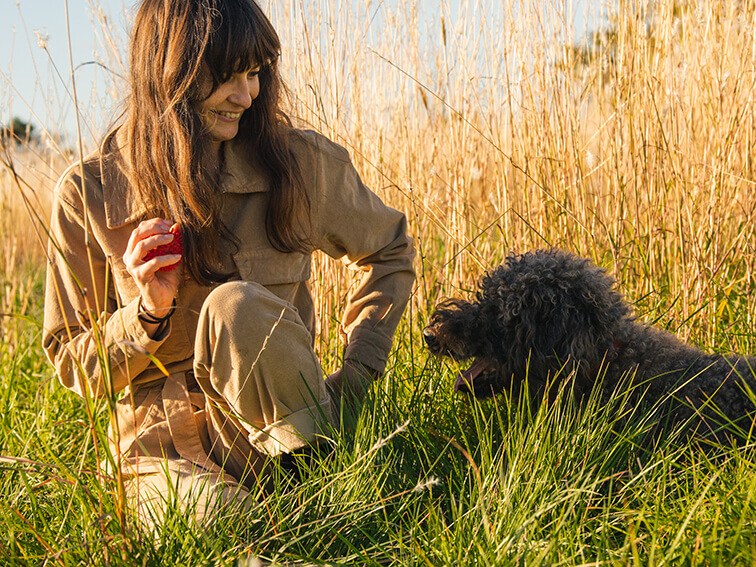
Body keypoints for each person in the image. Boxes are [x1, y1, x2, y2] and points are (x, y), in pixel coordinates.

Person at [42, 0, 414, 526]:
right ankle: (271, 519)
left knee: (234, 305)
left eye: (255, 73)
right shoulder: (89, 194)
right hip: (158, 457)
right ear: (171, 75)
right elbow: (72, 363)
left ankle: (321, 485)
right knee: (224, 521)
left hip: (290, 438)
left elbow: (390, 251)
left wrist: (356, 376)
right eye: (225, 78)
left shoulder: (303, 166)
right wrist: (146, 314)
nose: (247, 95)